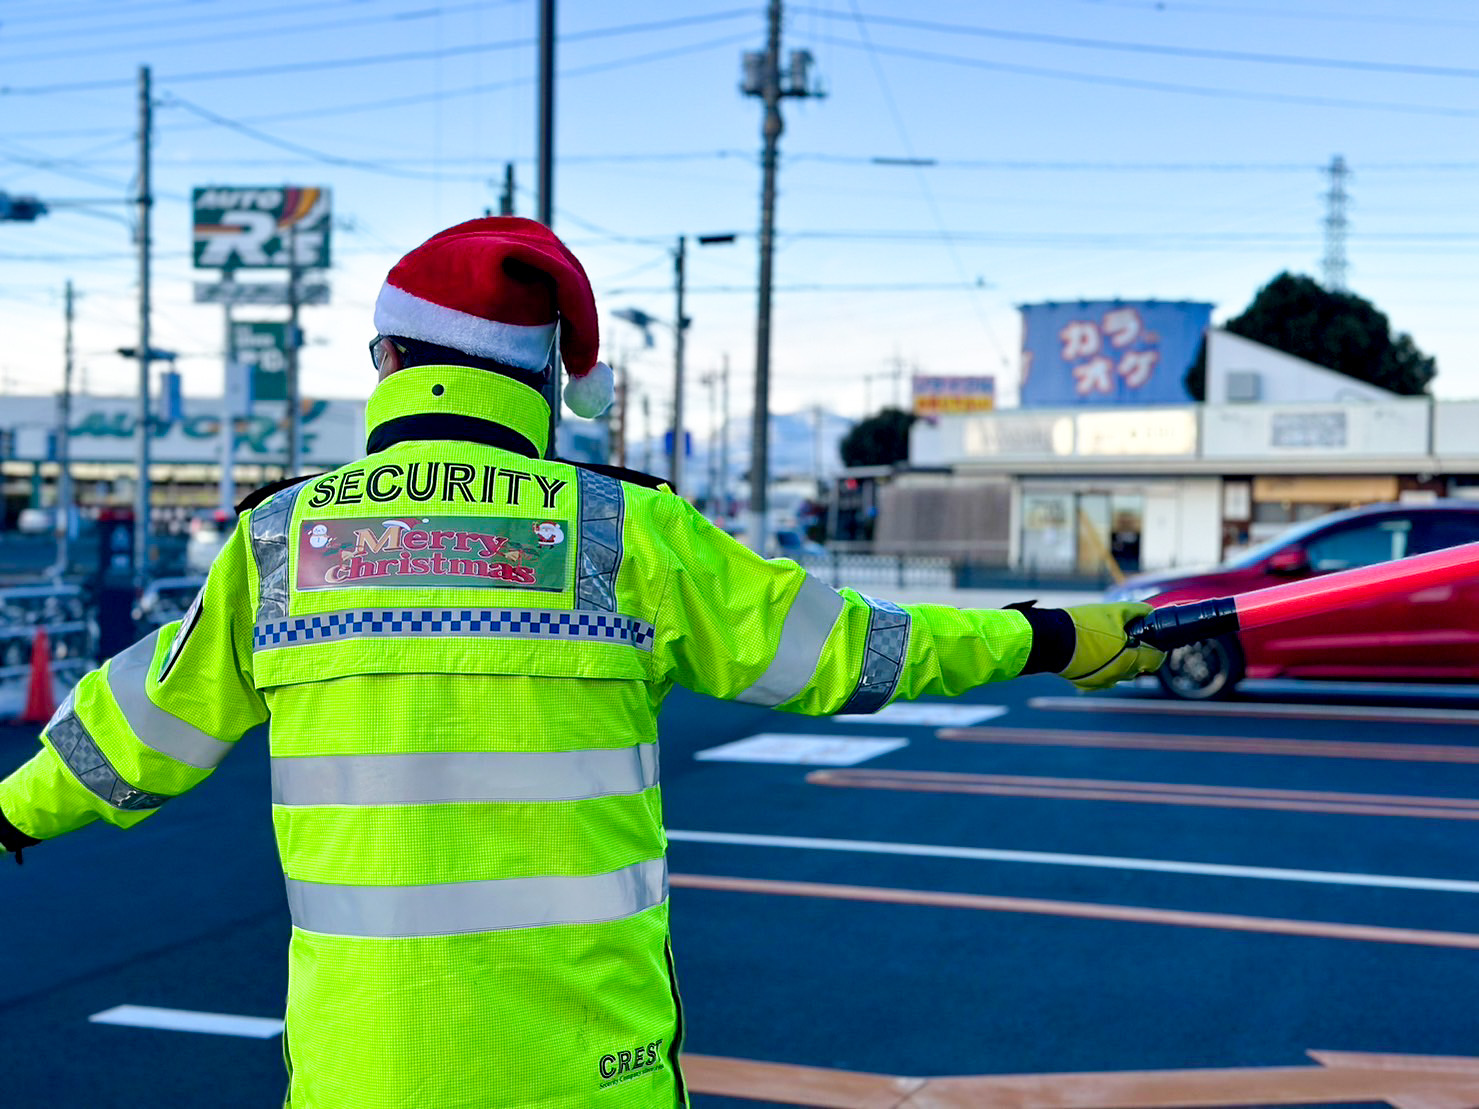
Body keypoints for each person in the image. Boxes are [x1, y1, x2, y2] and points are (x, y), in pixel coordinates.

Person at [0, 217, 1164, 1108]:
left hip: (369, 1067)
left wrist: (7, 815)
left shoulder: (281, 541)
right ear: (542, 383)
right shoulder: (626, 534)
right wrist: (1052, 634)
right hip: (585, 1066)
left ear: (396, 357)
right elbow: (862, 652)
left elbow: (130, 739)